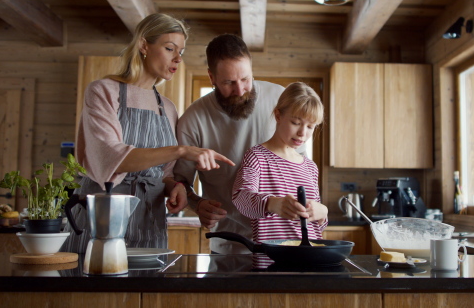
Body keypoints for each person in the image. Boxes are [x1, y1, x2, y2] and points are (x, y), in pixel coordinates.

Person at [62, 13, 233, 253]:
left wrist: (175, 186)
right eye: (170, 48)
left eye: (180, 52)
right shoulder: (103, 92)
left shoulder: (168, 107)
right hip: (101, 220)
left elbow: (163, 173)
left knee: (144, 288)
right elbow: (111, 156)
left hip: (149, 223)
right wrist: (182, 150)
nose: (177, 59)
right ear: (144, 45)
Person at [174, 34, 305, 254]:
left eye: (245, 79)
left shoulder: (280, 100)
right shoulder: (192, 120)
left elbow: (299, 167)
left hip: (284, 243)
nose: (240, 90)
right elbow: (180, 183)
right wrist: (197, 205)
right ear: (211, 77)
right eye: (229, 82)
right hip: (228, 246)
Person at [232, 82, 328, 246]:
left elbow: (317, 226)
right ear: (278, 116)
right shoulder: (257, 157)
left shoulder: (310, 167)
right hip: (271, 262)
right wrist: (271, 204)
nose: (302, 133)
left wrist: (323, 213)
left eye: (310, 126)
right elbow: (240, 198)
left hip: (310, 261)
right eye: (296, 123)